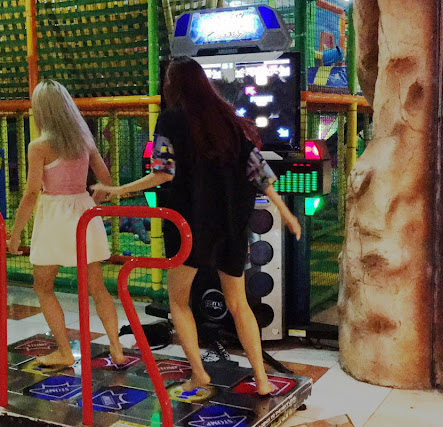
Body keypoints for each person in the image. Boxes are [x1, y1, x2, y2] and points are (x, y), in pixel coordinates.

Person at [92, 56, 301, 395]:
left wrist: (117, 190)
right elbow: (258, 171)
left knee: (179, 301)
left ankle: (199, 374)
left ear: (172, 85)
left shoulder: (170, 119)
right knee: (239, 304)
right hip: (231, 225)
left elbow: (164, 172)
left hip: (188, 225)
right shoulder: (228, 119)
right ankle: (262, 379)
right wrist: (285, 212)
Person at [7, 80, 125, 367]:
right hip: (83, 210)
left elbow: (31, 193)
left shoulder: (39, 146)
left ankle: (63, 350)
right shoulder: (84, 140)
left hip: (54, 216)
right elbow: (106, 181)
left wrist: (15, 234)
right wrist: (91, 201)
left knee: (43, 286)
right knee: (98, 287)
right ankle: (116, 347)